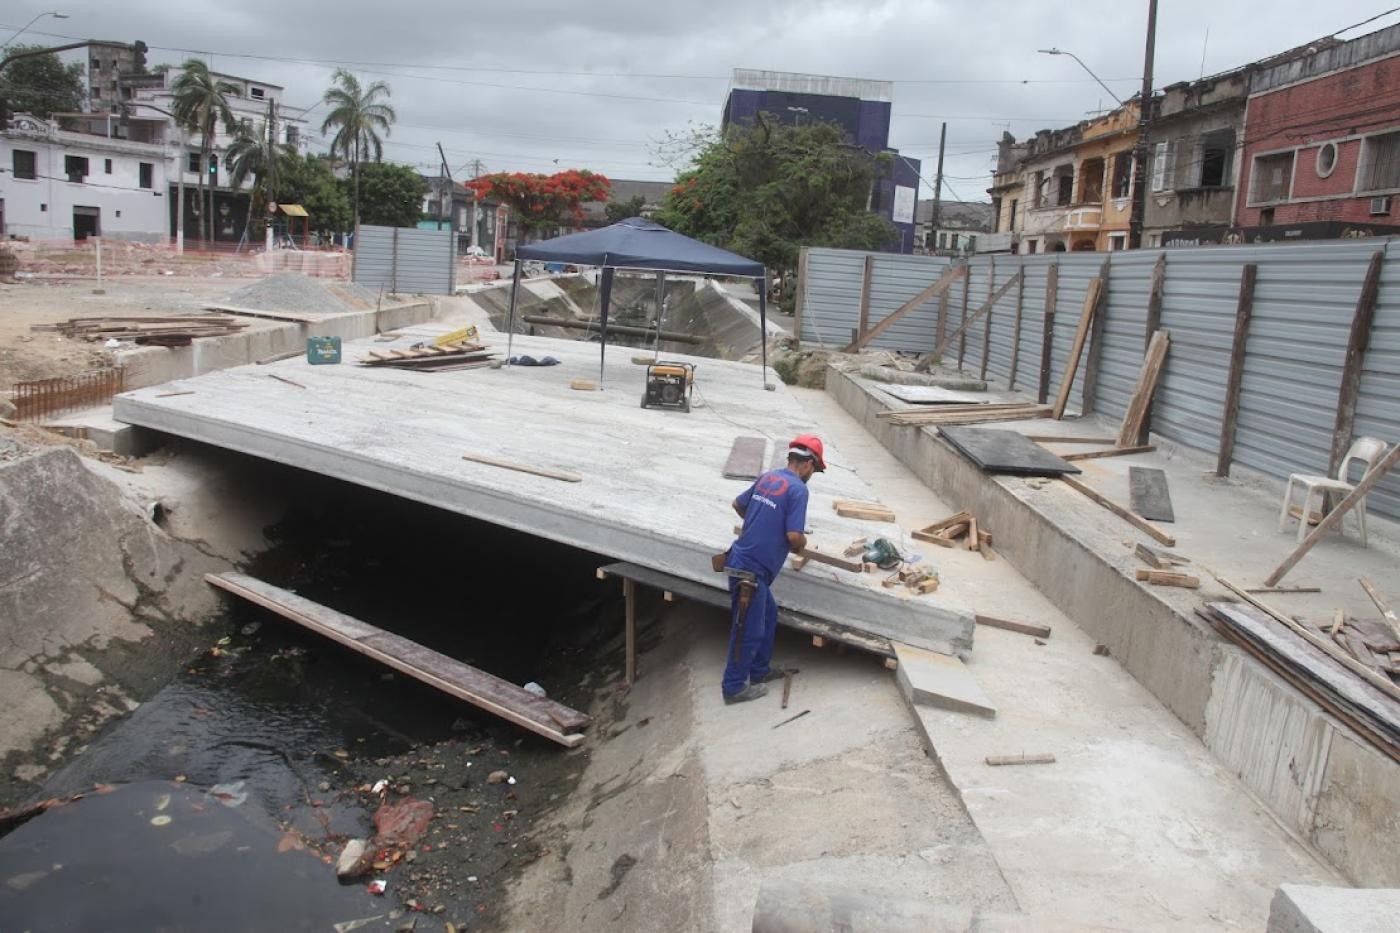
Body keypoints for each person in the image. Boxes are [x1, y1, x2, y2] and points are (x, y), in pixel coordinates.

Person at [721, 434, 826, 704]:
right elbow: (793, 536)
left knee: (768, 614)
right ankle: (733, 688)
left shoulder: (768, 477)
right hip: (750, 572)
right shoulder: (799, 490)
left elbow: (738, 504)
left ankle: (759, 672)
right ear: (807, 464)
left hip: (741, 560)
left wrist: (763, 521)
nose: (812, 474)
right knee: (747, 628)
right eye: (815, 469)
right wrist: (801, 543)